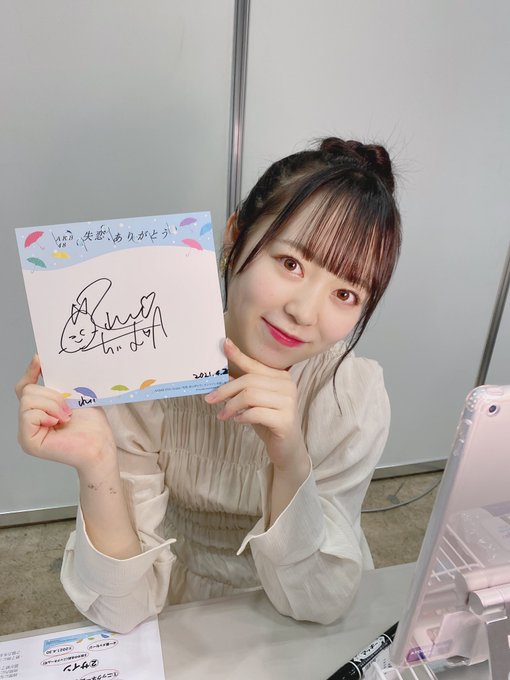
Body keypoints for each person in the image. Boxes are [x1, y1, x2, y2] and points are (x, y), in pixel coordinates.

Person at [16, 137, 401, 633]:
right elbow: (121, 610)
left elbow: (317, 604)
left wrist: (290, 459)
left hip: (301, 605)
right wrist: (97, 461)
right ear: (235, 236)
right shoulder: (146, 370)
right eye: (291, 263)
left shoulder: (352, 399)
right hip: (184, 602)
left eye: (346, 293)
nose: (304, 312)